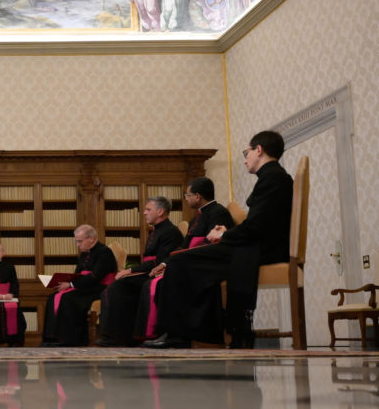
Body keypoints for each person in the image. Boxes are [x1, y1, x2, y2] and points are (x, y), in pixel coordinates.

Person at [146, 131, 293, 348]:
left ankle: (181, 334)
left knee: (179, 262)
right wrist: (227, 232)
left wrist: (224, 234)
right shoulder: (273, 177)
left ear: (259, 150)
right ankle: (196, 332)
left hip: (261, 250)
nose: (245, 159)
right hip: (259, 246)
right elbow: (259, 223)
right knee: (184, 261)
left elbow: (256, 227)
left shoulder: (272, 178)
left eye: (247, 152)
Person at [133, 177, 236, 342]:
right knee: (165, 275)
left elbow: (216, 245)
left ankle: (176, 334)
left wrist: (177, 260)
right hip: (191, 263)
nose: (186, 199)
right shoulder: (196, 219)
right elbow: (183, 246)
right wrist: (165, 263)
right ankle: (168, 332)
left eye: (187, 195)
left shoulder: (218, 212)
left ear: (198, 196)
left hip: (208, 265)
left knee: (171, 275)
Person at [96, 197, 184, 346]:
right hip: (148, 271)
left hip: (158, 274)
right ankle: (115, 335)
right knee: (116, 287)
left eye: (148, 209)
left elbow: (159, 261)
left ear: (160, 211)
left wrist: (129, 270)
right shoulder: (156, 230)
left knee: (119, 287)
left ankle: (119, 337)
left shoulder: (171, 232)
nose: (144, 213)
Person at [42, 225, 117, 346]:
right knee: (53, 298)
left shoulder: (104, 252)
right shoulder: (83, 254)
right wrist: (61, 281)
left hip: (98, 288)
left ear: (91, 238)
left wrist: (71, 284)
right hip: (84, 286)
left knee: (67, 299)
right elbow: (77, 274)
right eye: (76, 241)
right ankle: (51, 338)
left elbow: (95, 276)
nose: (78, 245)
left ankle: (69, 340)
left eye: (80, 241)